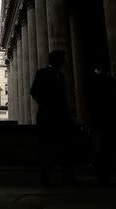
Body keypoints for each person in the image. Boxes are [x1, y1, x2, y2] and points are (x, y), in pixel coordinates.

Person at [30, 50, 74, 186]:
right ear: (56, 60)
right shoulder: (42, 73)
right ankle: (45, 177)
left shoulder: (60, 75)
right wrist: (46, 103)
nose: (64, 63)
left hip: (61, 117)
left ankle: (66, 177)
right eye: (62, 60)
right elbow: (34, 91)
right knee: (46, 148)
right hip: (46, 116)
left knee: (64, 147)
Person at [89, 67, 116, 185]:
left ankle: (103, 175)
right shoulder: (108, 84)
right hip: (106, 121)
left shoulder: (96, 86)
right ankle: (104, 175)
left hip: (102, 121)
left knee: (102, 149)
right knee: (106, 149)